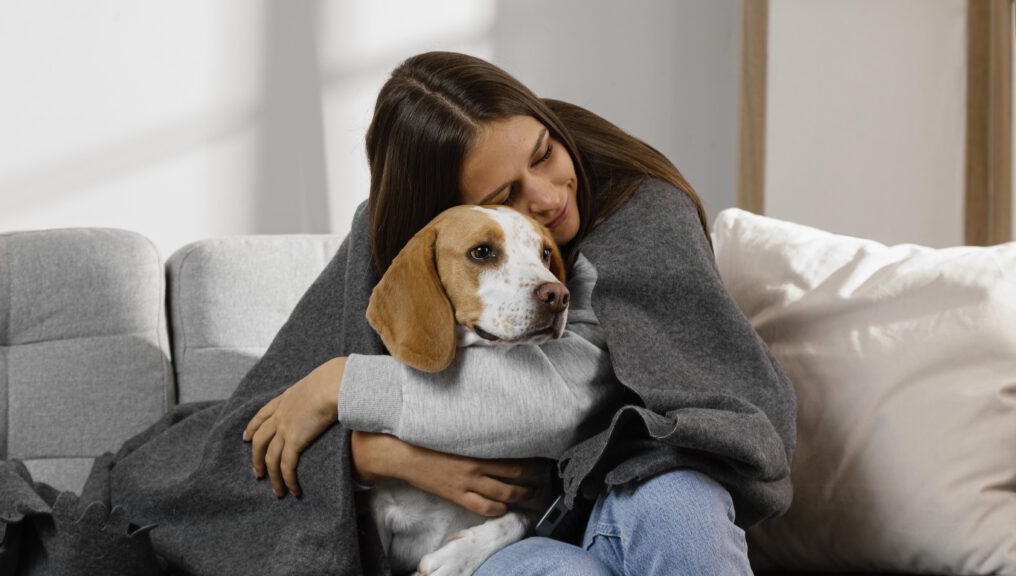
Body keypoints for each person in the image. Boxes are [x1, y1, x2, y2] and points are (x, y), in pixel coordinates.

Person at [242, 50, 796, 575]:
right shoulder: (398, 244)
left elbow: (564, 401)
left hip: (627, 481)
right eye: (505, 196)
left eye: (544, 153)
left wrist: (342, 384)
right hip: (515, 536)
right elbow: (250, 437)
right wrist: (377, 456)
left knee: (680, 507)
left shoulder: (641, 213)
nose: (550, 198)